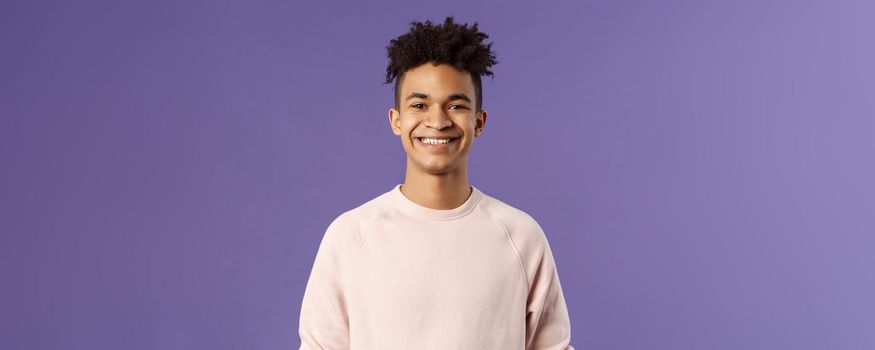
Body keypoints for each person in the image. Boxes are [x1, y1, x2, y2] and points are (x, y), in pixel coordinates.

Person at [299, 16, 574, 349]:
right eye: (419, 105)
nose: (438, 121)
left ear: (479, 121)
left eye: (456, 105)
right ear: (396, 120)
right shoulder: (350, 236)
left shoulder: (521, 236)